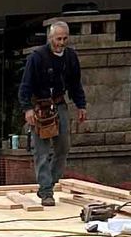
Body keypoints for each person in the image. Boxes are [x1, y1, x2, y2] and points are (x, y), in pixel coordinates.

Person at [18, 19, 88, 206]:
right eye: (58, 39)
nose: (61, 42)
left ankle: (51, 179)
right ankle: (46, 190)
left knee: (63, 147)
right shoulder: (37, 57)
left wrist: (81, 105)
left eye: (65, 38)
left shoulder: (71, 57)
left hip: (58, 104)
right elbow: (25, 85)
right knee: (41, 150)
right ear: (50, 38)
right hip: (39, 106)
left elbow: (75, 84)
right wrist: (27, 109)